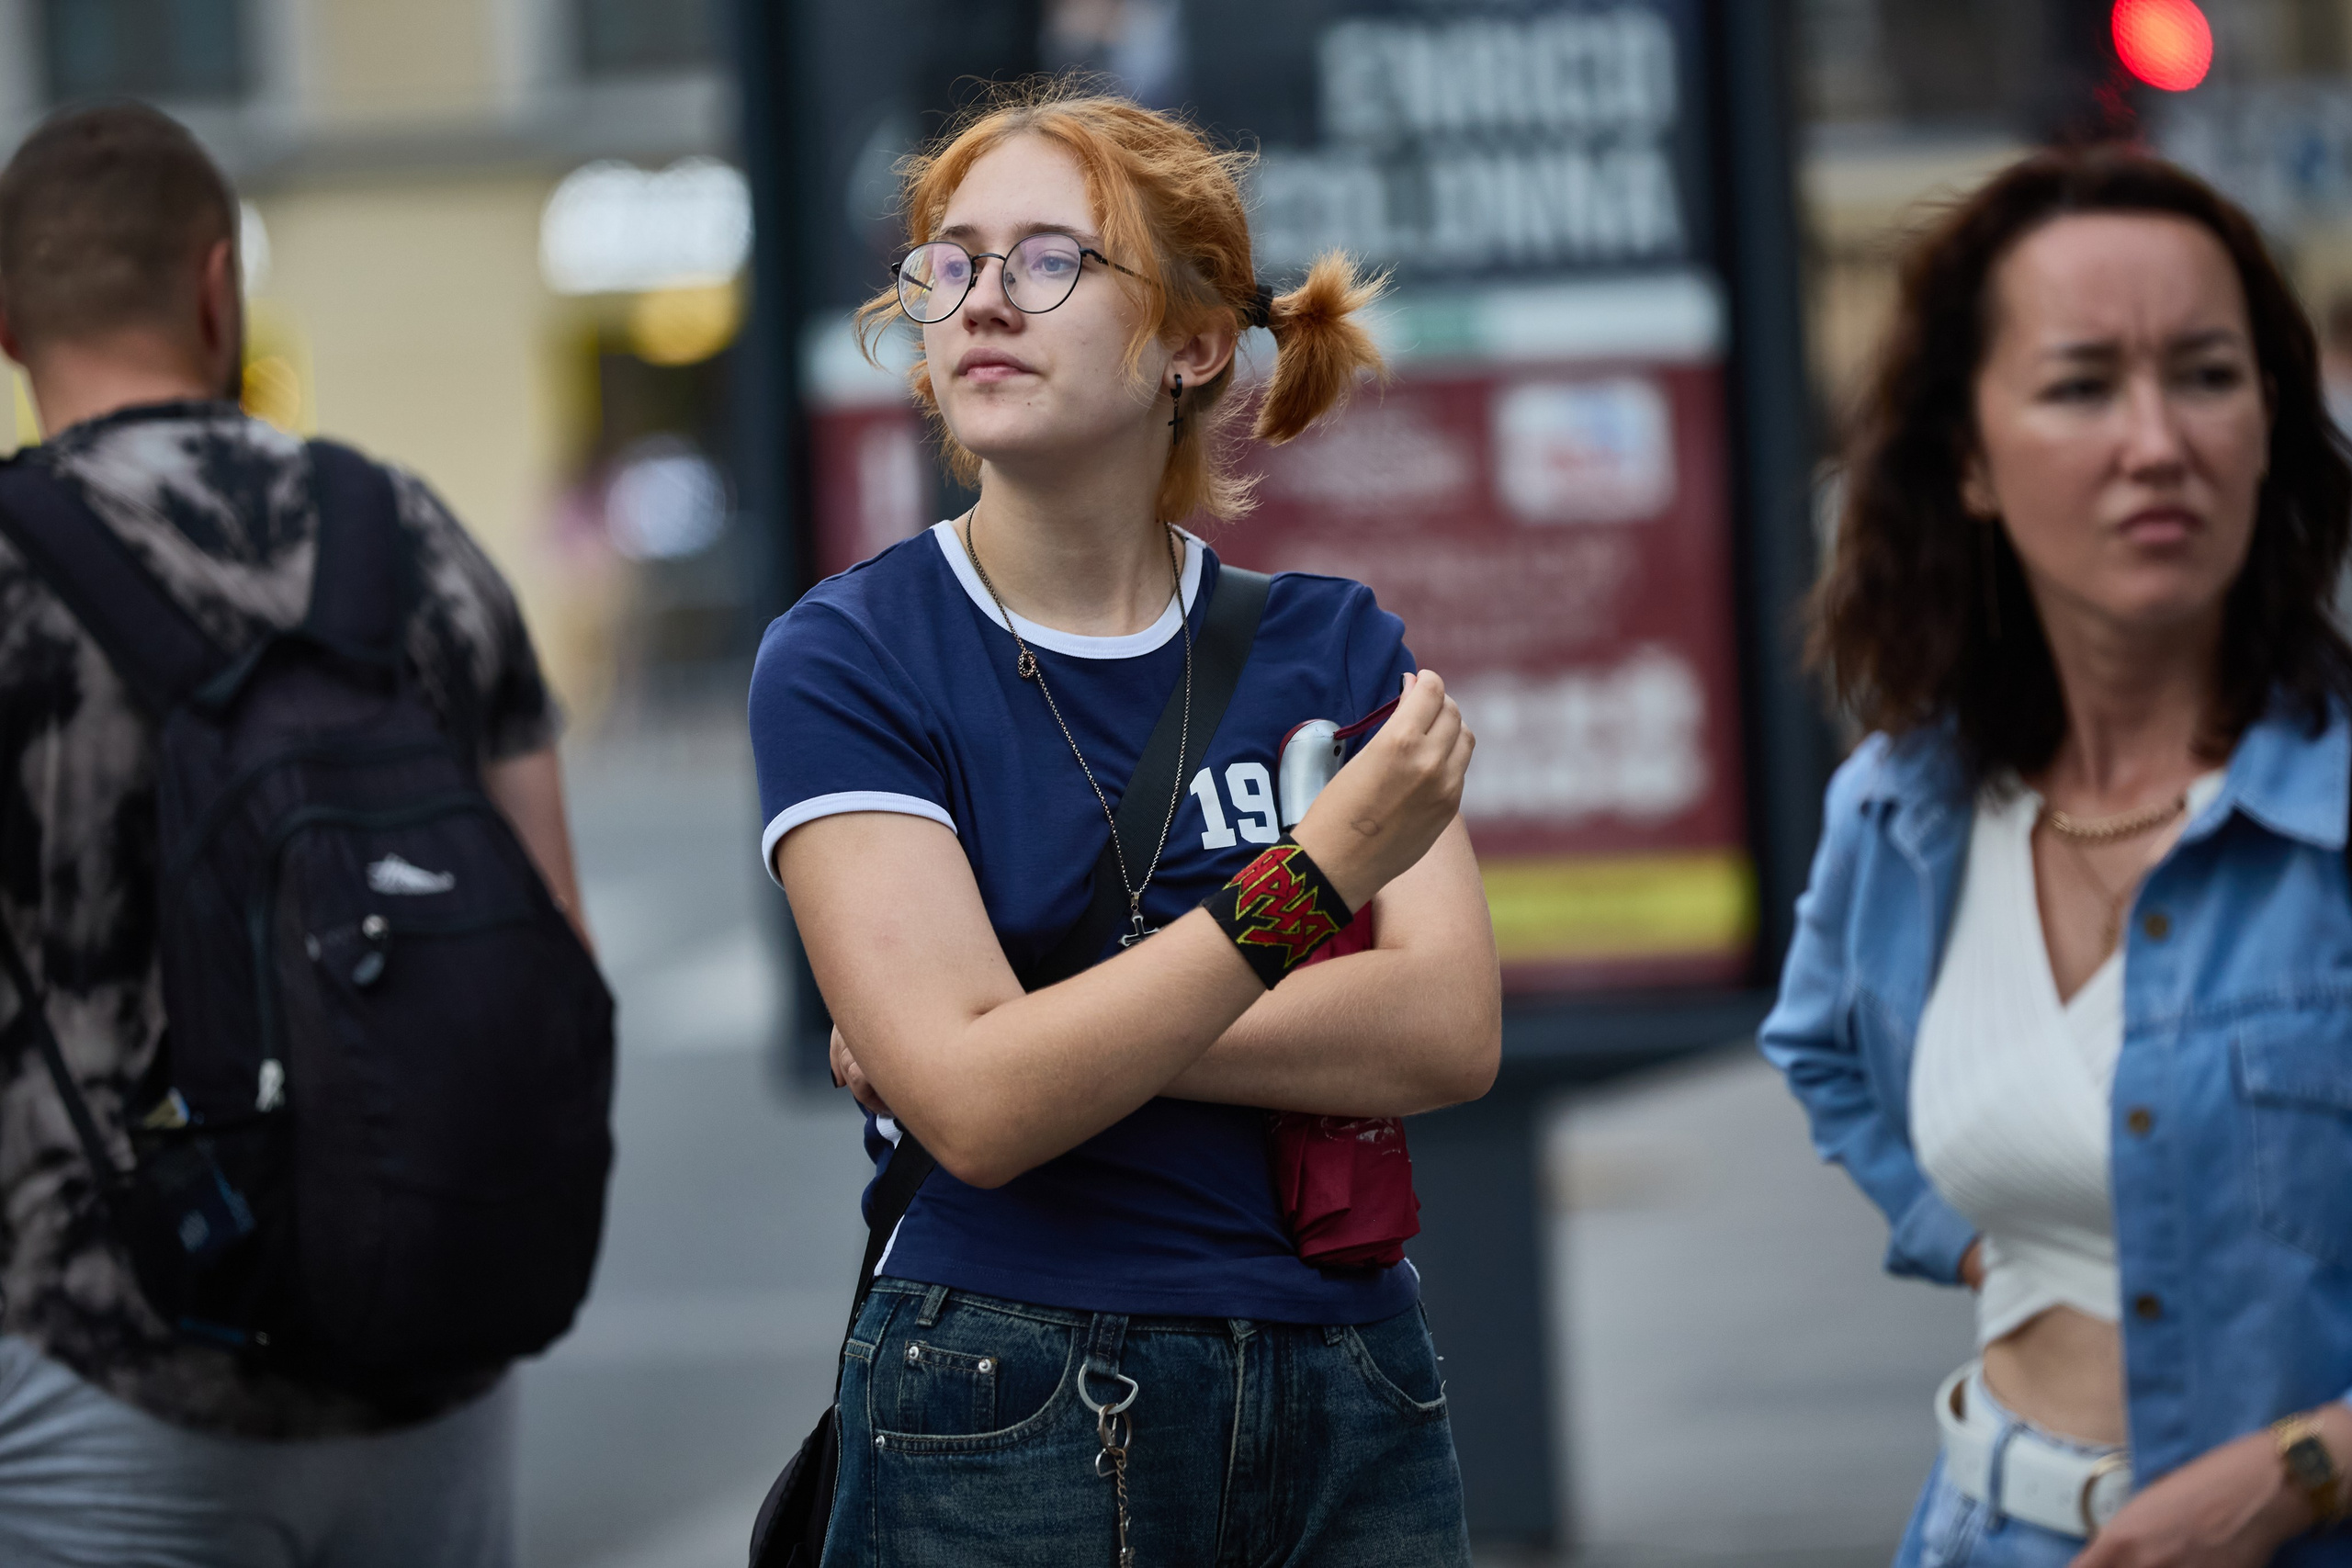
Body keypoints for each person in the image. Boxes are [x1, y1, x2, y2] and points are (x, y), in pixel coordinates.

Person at [750, 85, 1498, 1565]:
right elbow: (977, 1112)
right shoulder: (852, 656)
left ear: (1192, 342)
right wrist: (1318, 881)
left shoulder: (1332, 645)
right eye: (949, 265)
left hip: (1353, 1376)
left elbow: (1448, 1029)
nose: (980, 303)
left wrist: (1026, 1022)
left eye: (1046, 263)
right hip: (1009, 1388)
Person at [0, 103, 582, 1566]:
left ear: (7, 326)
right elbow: (552, 952)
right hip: (427, 1359)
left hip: (90, 1379)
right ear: (219, 287)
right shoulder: (411, 536)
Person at [1763, 143, 2352, 1568]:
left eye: (2207, 374)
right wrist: (1975, 1239)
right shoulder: (1906, 808)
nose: (2158, 440)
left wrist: (2297, 1473)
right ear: (1968, 456)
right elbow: (1822, 1051)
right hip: (1979, 1526)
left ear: (2273, 416)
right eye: (2083, 385)